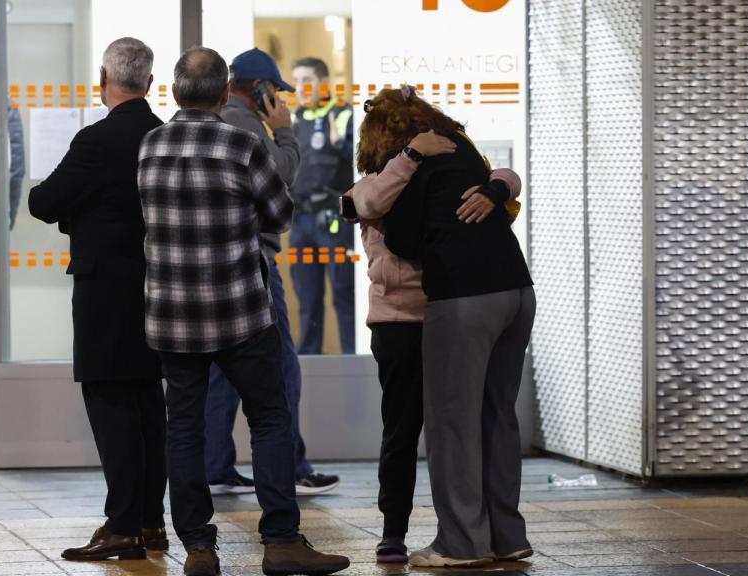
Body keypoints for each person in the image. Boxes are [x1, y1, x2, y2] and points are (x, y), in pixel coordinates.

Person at [137, 46, 350, 576]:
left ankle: (198, 549)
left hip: (172, 314)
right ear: (224, 90)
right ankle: (281, 541)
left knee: (182, 427)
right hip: (238, 309)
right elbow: (279, 215)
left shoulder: (150, 146)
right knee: (270, 418)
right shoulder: (240, 144)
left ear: (174, 91)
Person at [364, 86, 534, 567]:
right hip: (516, 290)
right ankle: (507, 535)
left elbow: (398, 236)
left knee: (452, 425)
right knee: (498, 416)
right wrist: (496, 187)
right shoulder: (466, 156)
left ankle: (460, 543)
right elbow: (506, 175)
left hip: (463, 299)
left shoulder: (411, 169)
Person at [28, 37, 168, 562]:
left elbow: (44, 203)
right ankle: (152, 522)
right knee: (149, 408)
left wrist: (77, 217)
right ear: (151, 85)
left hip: (105, 292)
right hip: (159, 288)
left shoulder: (96, 140)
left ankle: (122, 525)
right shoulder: (163, 135)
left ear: (102, 81)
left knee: (111, 405)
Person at [205, 47, 339, 497]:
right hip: (255, 262)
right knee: (282, 365)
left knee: (222, 369)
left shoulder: (214, 122)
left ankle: (216, 466)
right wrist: (286, 132)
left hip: (218, 264)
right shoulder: (245, 124)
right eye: (274, 91)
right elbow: (281, 182)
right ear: (258, 89)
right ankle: (293, 468)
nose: (280, 100)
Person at [288, 57, 355, 355]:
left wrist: (339, 142)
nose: (301, 88)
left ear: (323, 83)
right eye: (296, 82)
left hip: (334, 220)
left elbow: (363, 166)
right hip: (301, 221)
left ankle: (354, 359)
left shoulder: (342, 115)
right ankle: (308, 364)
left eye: (307, 81)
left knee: (343, 293)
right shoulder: (293, 119)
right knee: (307, 298)